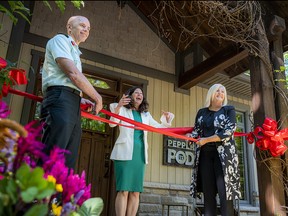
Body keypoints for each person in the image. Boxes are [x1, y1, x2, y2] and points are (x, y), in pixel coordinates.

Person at [40, 16, 103, 169]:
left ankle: (60, 194)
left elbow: (68, 82)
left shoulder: (75, 51)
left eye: (88, 29)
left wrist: (79, 99)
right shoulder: (60, 40)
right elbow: (73, 74)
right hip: (60, 100)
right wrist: (97, 97)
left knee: (68, 160)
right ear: (69, 27)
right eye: (82, 26)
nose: (86, 30)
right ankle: (43, 193)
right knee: (54, 155)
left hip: (71, 103)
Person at [109, 86, 174, 216]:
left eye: (141, 93)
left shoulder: (146, 115)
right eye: (136, 93)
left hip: (140, 156)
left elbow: (158, 128)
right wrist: (118, 107)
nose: (139, 95)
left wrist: (166, 119)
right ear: (130, 96)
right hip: (124, 154)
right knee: (123, 190)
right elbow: (112, 123)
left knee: (135, 191)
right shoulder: (119, 108)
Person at [187, 84, 241, 216]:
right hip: (205, 156)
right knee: (208, 193)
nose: (220, 93)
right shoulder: (202, 112)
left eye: (223, 91)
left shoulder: (229, 110)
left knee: (225, 194)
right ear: (211, 93)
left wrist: (206, 140)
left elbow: (228, 131)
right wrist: (190, 137)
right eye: (218, 90)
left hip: (224, 158)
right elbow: (197, 132)